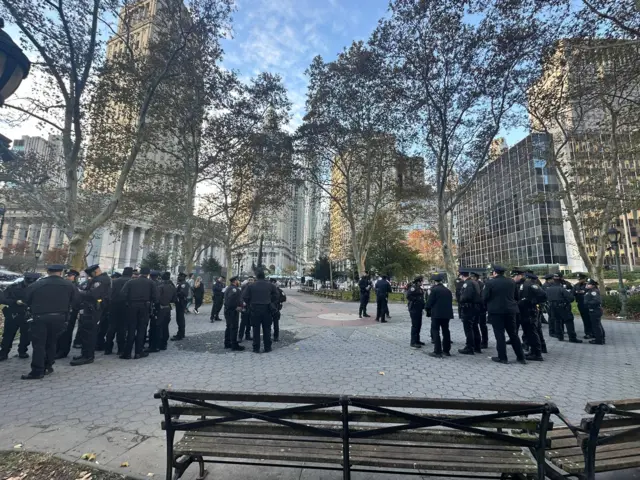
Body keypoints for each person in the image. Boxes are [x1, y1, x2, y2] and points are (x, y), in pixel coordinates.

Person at [20, 265, 78, 379]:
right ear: (61, 273)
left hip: (40, 317)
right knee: (52, 342)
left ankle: (37, 371)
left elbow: (26, 299)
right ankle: (48, 366)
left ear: (48, 272)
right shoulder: (69, 285)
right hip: (59, 318)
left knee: (39, 344)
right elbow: (76, 301)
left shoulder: (37, 284)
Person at [482, 265, 526, 365]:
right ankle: (521, 357)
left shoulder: (490, 283)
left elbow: (484, 297)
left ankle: (503, 357)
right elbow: (516, 296)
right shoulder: (511, 282)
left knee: (499, 335)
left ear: (494, 273)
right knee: (513, 334)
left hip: (496, 312)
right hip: (511, 311)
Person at [71, 264, 111, 366]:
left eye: (91, 274)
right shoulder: (99, 279)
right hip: (89, 308)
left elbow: (93, 294)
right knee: (85, 332)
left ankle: (88, 356)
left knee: (90, 333)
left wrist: (80, 292)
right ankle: (85, 353)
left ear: (95, 272)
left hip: (94, 309)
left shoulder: (102, 280)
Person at [0, 272, 40, 361]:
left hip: (27, 314)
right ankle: (4, 352)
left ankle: (22, 351)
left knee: (26, 335)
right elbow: (2, 299)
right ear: (25, 279)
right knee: (8, 334)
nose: (29, 284)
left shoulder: (37, 288)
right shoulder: (14, 287)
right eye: (28, 281)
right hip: (13, 314)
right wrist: (15, 302)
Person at [120, 266, 158, 359]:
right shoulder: (151, 283)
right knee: (142, 329)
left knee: (131, 329)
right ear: (148, 274)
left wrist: (128, 302)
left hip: (132, 307)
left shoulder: (131, 282)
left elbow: (122, 294)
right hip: (145, 307)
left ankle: (127, 353)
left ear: (140, 273)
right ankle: (138, 352)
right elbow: (156, 297)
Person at [242, 269, 279, 353]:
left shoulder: (251, 286)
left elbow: (244, 297)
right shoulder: (270, 285)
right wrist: (270, 301)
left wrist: (250, 303)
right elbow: (277, 295)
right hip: (267, 309)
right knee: (267, 329)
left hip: (255, 309)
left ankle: (256, 348)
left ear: (257, 277)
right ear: (264, 276)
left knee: (256, 329)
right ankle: (267, 347)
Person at [514, 269, 547, 362]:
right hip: (524, 311)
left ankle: (537, 354)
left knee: (532, 332)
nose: (514, 278)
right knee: (528, 332)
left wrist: (532, 302)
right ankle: (533, 352)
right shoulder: (523, 285)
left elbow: (543, 296)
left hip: (530, 311)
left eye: (515, 276)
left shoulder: (531, 285)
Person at [546, 274, 582, 343]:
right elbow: (571, 298)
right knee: (569, 321)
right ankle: (572, 338)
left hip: (552, 307)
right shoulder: (561, 289)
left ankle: (560, 336)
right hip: (563, 307)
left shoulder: (549, 289)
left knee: (557, 321)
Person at [104, 266, 132, 355]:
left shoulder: (114, 281)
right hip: (125, 307)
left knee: (111, 327)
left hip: (113, 306)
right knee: (122, 328)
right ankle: (120, 349)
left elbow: (109, 293)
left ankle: (108, 348)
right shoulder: (131, 282)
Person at [425, 273, 453, 358]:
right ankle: (446, 350)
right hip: (446, 314)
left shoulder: (434, 290)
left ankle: (437, 351)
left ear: (434, 281)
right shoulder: (447, 290)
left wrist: (426, 308)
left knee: (435, 331)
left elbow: (429, 302)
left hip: (437, 314)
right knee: (446, 331)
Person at [56, 269, 81, 359]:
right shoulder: (63, 285)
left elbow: (77, 300)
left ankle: (63, 351)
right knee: (59, 331)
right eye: (67, 275)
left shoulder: (76, 286)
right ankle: (57, 349)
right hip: (61, 311)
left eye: (70, 276)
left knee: (67, 332)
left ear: (74, 277)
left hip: (70, 311)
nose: (68, 277)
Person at [457, 269, 482, 355]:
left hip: (469, 308)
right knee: (475, 327)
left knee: (468, 328)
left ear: (462, 275)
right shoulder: (474, 282)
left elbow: (466, 297)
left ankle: (469, 347)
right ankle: (477, 346)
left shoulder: (467, 283)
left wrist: (461, 300)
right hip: (475, 308)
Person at [155, 272, 177, 351]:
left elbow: (156, 299)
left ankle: (157, 345)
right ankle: (164, 344)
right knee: (165, 326)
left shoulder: (160, 287)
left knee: (158, 326)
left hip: (161, 308)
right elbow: (174, 300)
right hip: (168, 309)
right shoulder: (172, 287)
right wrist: (171, 308)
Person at [223, 276, 245, 351]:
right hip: (232, 311)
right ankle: (234, 345)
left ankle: (227, 343)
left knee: (229, 327)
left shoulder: (229, 288)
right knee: (234, 328)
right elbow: (231, 300)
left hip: (228, 311)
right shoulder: (234, 289)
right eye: (238, 280)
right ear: (235, 281)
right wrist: (236, 307)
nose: (239, 282)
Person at [470, 270, 489, 349]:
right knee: (475, 324)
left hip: (481, 308)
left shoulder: (481, 285)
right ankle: (477, 340)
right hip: (475, 307)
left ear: (475, 277)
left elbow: (482, 297)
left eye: (472, 277)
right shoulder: (474, 284)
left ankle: (484, 341)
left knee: (482, 325)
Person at [406, 276, 426, 348]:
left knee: (419, 325)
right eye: (421, 281)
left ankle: (417, 340)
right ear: (418, 281)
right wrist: (416, 300)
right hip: (414, 308)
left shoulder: (419, 288)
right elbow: (408, 295)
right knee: (415, 325)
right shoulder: (413, 287)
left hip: (419, 309)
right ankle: (413, 342)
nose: (422, 282)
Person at [585, 279, 605, 345]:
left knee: (596, 326)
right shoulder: (591, 291)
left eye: (589, 284)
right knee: (597, 324)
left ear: (593, 285)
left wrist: (588, 303)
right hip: (594, 310)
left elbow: (597, 301)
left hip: (595, 310)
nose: (587, 285)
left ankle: (599, 340)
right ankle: (600, 338)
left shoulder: (594, 292)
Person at [573, 273, 593, 339]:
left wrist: (579, 292)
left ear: (584, 279)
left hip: (588, 304)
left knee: (591, 319)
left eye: (581, 279)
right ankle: (588, 333)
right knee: (585, 319)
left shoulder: (588, 285)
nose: (579, 280)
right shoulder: (576, 285)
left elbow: (589, 293)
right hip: (581, 304)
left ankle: (593, 332)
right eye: (579, 279)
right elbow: (572, 293)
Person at [172, 272, 189, 341]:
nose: (178, 278)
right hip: (179, 302)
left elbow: (183, 293)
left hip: (181, 303)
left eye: (179, 277)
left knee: (180, 319)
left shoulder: (184, 284)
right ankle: (180, 333)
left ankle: (181, 334)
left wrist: (175, 293)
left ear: (182, 277)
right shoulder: (180, 283)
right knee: (179, 318)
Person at [239, 277, 254, 342]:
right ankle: (240, 336)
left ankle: (247, 335)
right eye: (249, 280)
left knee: (249, 323)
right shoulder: (244, 287)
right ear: (247, 280)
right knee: (243, 323)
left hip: (252, 307)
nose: (250, 281)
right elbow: (241, 296)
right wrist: (242, 303)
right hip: (245, 306)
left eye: (252, 280)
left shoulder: (254, 287)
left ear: (254, 281)